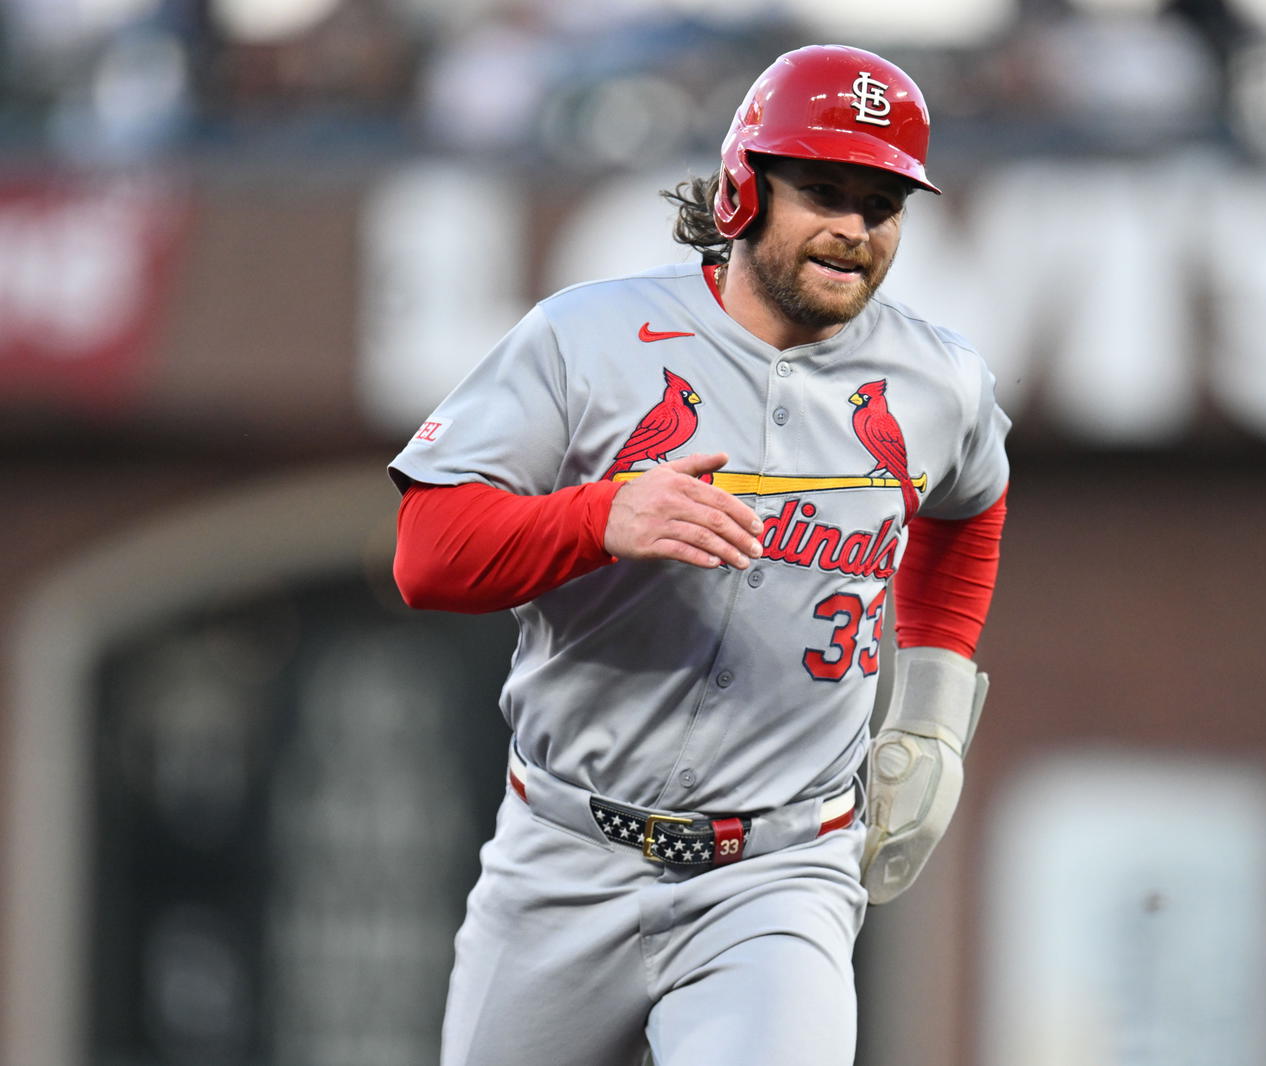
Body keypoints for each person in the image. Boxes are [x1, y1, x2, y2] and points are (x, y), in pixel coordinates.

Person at [389, 43, 1010, 1066]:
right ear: (741, 190)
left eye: (881, 204)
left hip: (779, 871)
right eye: (822, 192)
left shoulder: (938, 382)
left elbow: (970, 508)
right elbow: (426, 555)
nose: (853, 230)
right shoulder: (587, 337)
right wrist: (598, 518)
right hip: (564, 854)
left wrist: (932, 716)